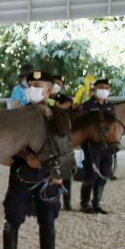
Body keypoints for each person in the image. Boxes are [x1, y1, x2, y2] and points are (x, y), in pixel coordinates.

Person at [2, 71, 64, 249]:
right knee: (13, 215)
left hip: (48, 174)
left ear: (49, 90)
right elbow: (10, 142)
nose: (33, 89)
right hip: (22, 172)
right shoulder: (19, 114)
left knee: (48, 218)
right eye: (31, 85)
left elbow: (64, 144)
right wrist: (27, 156)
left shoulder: (59, 115)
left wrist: (57, 172)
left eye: (38, 85)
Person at [79, 78, 116, 213]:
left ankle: (97, 203)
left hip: (107, 145)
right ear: (94, 89)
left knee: (104, 174)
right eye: (100, 87)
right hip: (91, 145)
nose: (103, 90)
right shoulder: (86, 106)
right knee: (91, 175)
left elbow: (112, 125)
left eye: (106, 88)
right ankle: (85, 204)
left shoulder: (110, 106)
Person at [50, 76, 75, 210]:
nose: (56, 85)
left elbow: (64, 106)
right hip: (47, 139)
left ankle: (67, 202)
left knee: (66, 171)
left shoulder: (65, 98)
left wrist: (51, 102)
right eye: (54, 83)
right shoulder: (41, 97)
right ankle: (52, 200)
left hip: (62, 138)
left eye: (59, 83)